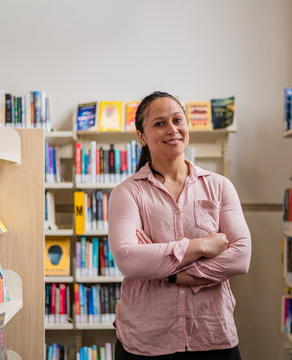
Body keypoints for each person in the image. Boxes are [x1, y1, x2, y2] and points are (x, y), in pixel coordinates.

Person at [108, 91, 251, 359]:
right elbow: (129, 260)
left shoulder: (219, 187)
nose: (172, 129)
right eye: (159, 123)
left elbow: (241, 257)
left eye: (177, 120)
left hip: (212, 336)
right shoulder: (127, 193)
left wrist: (172, 272)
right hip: (146, 341)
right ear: (141, 136)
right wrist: (204, 245)